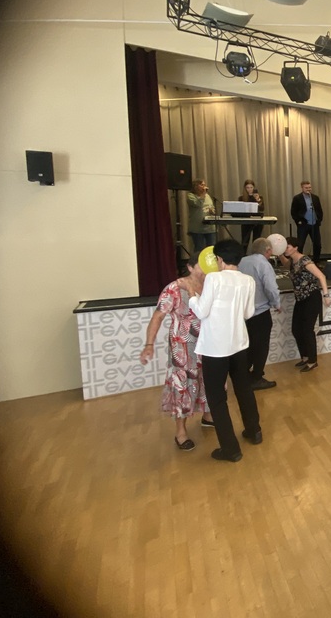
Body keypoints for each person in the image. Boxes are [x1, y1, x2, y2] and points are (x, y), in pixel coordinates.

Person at [182, 239, 261, 463]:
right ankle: (254, 431)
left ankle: (230, 449)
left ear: (219, 259)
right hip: (239, 344)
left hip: (215, 348)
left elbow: (201, 311)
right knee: (244, 389)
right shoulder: (248, 280)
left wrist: (192, 294)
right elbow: (248, 313)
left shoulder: (214, 278)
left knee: (217, 399)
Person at [138, 255, 214, 451]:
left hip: (209, 343)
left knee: (209, 379)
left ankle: (208, 416)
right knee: (183, 385)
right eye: (202, 266)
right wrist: (149, 344)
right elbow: (158, 316)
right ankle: (181, 432)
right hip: (183, 347)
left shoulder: (212, 284)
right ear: (190, 267)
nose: (206, 270)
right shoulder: (174, 288)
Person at [282, 236, 331, 372]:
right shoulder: (292, 261)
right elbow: (286, 264)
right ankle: (305, 357)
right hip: (300, 299)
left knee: (307, 329)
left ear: (295, 248)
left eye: (287, 247)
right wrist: (279, 252)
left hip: (312, 297)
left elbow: (321, 276)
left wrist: (326, 296)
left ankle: (312, 361)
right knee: (296, 329)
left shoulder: (304, 260)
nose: (285, 249)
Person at [239, 238, 282, 391]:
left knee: (247, 345)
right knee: (261, 347)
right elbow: (270, 287)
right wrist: (276, 303)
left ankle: (243, 375)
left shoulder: (241, 261)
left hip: (243, 312)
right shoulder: (263, 264)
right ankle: (257, 377)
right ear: (268, 250)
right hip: (260, 311)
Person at [290, 180, 323, 261]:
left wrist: (319, 220)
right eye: (306, 188)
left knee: (317, 244)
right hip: (303, 224)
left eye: (309, 187)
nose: (308, 189)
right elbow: (293, 212)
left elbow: (319, 210)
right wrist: (298, 221)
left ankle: (316, 261)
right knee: (300, 244)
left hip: (314, 224)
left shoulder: (315, 198)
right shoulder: (297, 198)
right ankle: (299, 261)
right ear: (302, 188)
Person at [186, 179, 217, 252]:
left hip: (210, 227)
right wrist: (203, 194)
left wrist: (212, 211)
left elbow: (212, 207)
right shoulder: (190, 196)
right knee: (199, 249)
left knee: (211, 249)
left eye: (204, 185)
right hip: (197, 228)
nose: (204, 186)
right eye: (202, 185)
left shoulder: (207, 196)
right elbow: (198, 204)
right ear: (196, 186)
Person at [237, 179, 264, 251]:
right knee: (245, 241)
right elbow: (240, 211)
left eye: (251, 187)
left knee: (256, 240)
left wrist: (258, 200)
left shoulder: (259, 197)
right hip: (246, 222)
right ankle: (243, 255)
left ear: (254, 188)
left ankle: (256, 255)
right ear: (245, 188)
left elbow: (262, 209)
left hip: (257, 222)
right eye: (247, 187)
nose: (249, 189)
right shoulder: (241, 198)